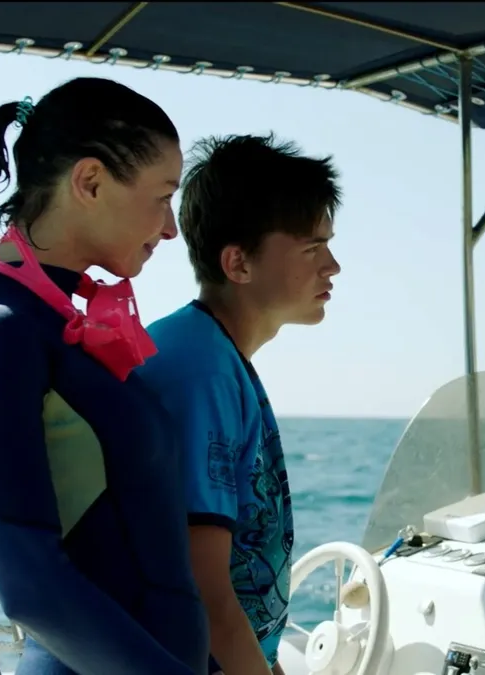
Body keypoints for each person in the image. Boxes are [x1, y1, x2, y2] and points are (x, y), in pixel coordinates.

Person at [0, 78, 209, 673]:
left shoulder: (51, 323)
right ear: (90, 182)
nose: (171, 227)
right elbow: (31, 591)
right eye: (162, 196)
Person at [136, 134, 342, 675]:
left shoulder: (215, 356)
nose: (333, 266)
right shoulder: (199, 372)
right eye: (312, 248)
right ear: (238, 263)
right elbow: (205, 591)